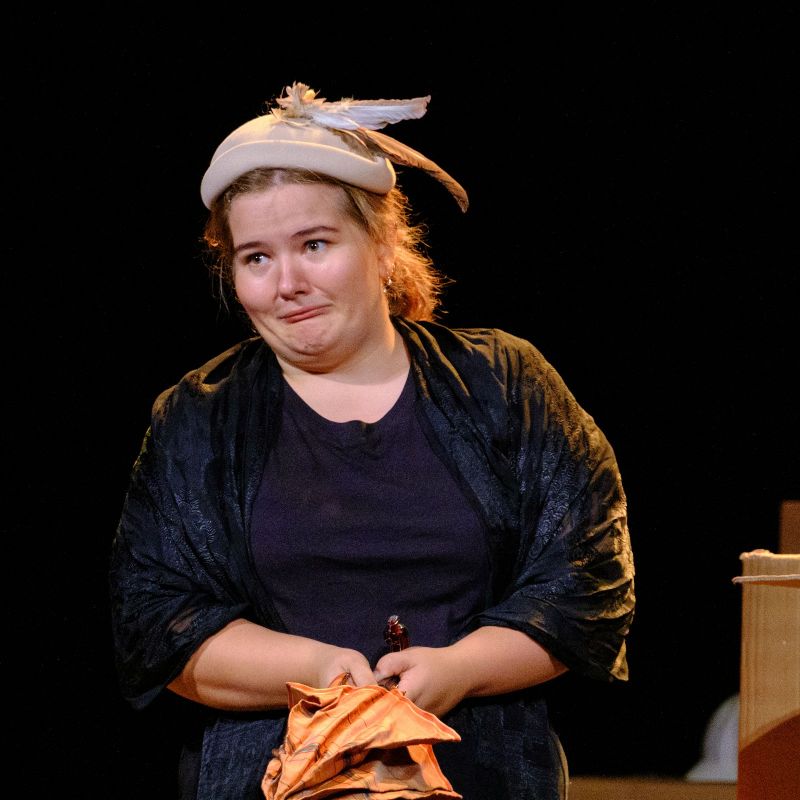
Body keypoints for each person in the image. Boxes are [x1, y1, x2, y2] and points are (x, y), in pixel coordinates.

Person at [109, 81, 635, 800]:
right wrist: (322, 670)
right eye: (255, 258)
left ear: (383, 246)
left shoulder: (503, 383)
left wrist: (461, 668)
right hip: (273, 776)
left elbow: (586, 585)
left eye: (315, 245)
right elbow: (156, 624)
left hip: (482, 772)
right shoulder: (200, 417)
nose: (286, 282)